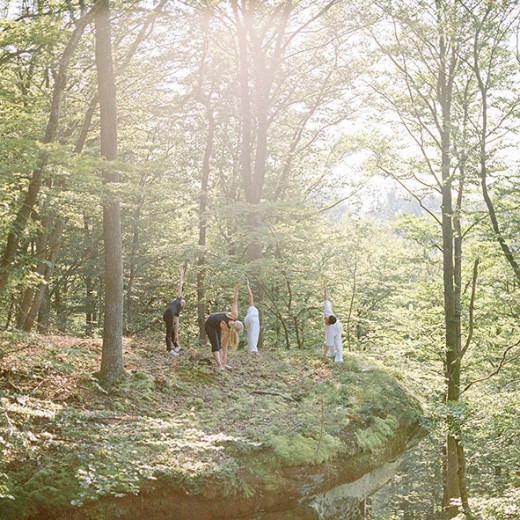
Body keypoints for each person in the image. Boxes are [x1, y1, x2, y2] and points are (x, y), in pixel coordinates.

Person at [204, 279, 244, 370]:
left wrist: (225, 360)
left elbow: (224, 346)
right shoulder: (233, 315)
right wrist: (237, 288)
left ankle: (223, 364)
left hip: (216, 325)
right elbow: (235, 301)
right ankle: (219, 365)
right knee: (215, 345)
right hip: (209, 324)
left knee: (219, 345)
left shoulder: (228, 330)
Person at [163, 266, 185, 355]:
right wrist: (181, 275)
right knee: (169, 331)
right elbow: (180, 286)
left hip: (168, 315)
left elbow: (177, 323)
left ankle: (176, 346)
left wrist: (176, 334)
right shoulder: (179, 299)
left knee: (171, 330)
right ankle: (169, 350)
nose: (184, 300)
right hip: (168, 314)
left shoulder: (178, 309)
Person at [322, 283, 343, 363]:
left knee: (337, 342)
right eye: (326, 317)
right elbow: (326, 299)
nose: (325, 317)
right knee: (331, 344)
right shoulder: (328, 311)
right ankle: (331, 353)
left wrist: (324, 356)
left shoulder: (330, 329)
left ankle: (339, 358)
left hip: (337, 329)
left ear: (329, 323)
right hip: (335, 324)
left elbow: (328, 343)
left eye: (326, 318)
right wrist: (325, 289)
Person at [244, 278, 260, 354]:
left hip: (246, 320)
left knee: (250, 334)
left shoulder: (249, 309)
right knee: (255, 333)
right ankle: (254, 350)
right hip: (253, 318)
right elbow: (251, 295)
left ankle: (251, 350)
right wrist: (247, 285)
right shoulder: (252, 307)